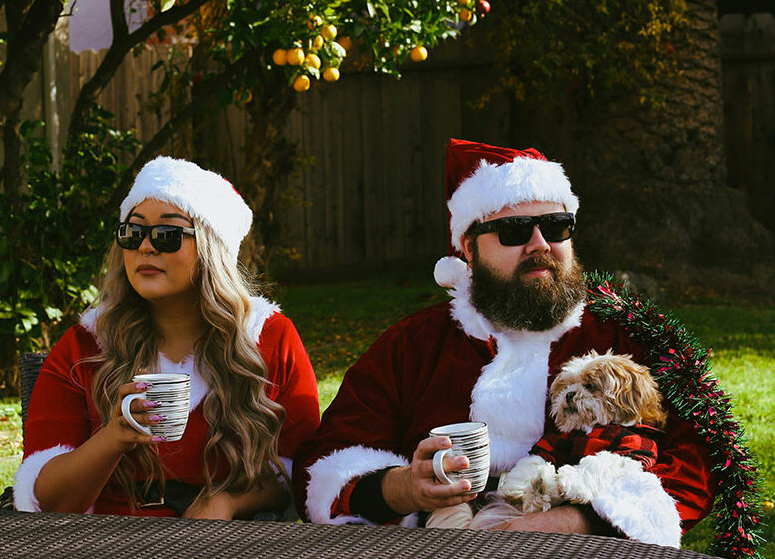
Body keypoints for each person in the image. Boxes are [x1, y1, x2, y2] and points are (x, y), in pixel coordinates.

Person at [293, 139, 714, 546]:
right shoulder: (414, 346)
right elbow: (325, 460)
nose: (539, 244)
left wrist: (576, 520)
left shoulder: (623, 338)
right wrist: (401, 488)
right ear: (468, 248)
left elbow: (697, 456)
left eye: (556, 226)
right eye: (513, 231)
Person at [13, 156, 320, 519]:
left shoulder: (267, 337)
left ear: (211, 247)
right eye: (133, 231)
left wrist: (226, 501)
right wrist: (114, 437)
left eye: (167, 235)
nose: (145, 247)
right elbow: (45, 501)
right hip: (106, 542)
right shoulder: (86, 345)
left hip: (226, 545)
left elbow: (301, 471)